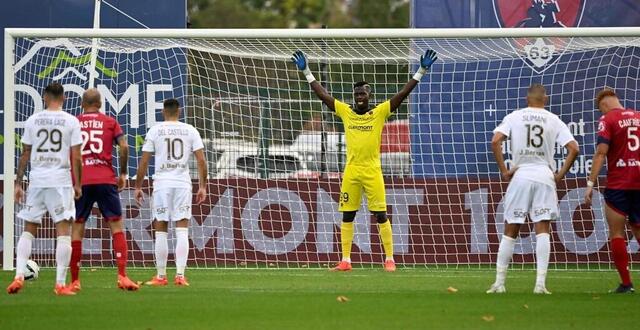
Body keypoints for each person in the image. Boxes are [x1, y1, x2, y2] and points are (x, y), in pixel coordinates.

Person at [291, 49, 438, 272]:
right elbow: (323, 96)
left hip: (372, 171)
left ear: (369, 96)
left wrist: (421, 71)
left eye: (363, 94)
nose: (360, 97)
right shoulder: (345, 112)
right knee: (347, 214)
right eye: (357, 94)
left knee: (380, 214)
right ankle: (346, 261)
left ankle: (389, 259)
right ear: (354, 96)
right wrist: (307, 72)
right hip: (351, 171)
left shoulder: (379, 113)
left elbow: (402, 94)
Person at [487, 84, 579, 294]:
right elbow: (574, 148)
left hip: (520, 175)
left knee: (511, 229)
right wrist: (559, 175)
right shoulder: (553, 119)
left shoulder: (515, 116)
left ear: (527, 99)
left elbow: (495, 141)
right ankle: (540, 285)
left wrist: (505, 170)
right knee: (542, 230)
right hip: (544, 176)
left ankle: (499, 284)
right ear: (544, 99)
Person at [6, 82, 83, 296]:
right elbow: (77, 156)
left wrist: (19, 183)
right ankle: (59, 284)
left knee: (29, 229)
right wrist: (78, 183)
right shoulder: (71, 121)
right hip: (60, 181)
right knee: (64, 232)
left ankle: (18, 276)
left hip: (37, 180)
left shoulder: (33, 120)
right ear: (64, 98)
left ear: (44, 97)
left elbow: (25, 154)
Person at [68, 88, 139, 292]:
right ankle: (122, 276)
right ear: (100, 104)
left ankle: (75, 280)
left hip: (82, 180)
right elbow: (124, 147)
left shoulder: (75, 122)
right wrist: (123, 174)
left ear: (83, 104)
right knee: (116, 226)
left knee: (77, 227)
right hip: (106, 179)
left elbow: (71, 153)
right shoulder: (110, 122)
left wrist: (74, 181)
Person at [134, 98, 208, 286]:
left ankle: (161, 276)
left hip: (162, 184)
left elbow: (144, 161)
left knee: (161, 229)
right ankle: (180, 276)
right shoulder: (190, 130)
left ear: (163, 112)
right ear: (179, 111)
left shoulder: (155, 130)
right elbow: (201, 161)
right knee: (182, 229)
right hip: (182, 184)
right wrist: (202, 186)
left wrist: (138, 186)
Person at [584, 88, 640, 294]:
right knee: (638, 229)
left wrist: (590, 184)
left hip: (619, 183)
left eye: (601, 109)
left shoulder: (607, 119)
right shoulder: (639, 116)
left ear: (605, 105)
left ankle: (626, 284)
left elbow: (601, 153)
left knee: (616, 232)